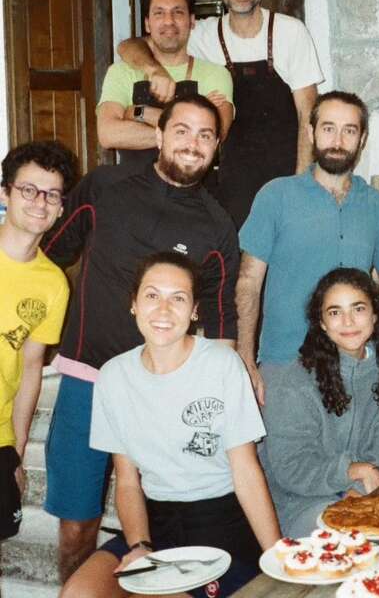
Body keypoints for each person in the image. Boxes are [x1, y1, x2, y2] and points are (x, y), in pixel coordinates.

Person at [43, 95, 240, 582]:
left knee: (159, 519)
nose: (192, 143)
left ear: (216, 149)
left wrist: (237, 380)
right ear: (158, 135)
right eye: (182, 130)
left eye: (205, 135)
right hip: (88, 380)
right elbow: (46, 253)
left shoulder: (217, 226)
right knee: (76, 526)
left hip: (165, 394)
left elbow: (219, 320)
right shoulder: (103, 187)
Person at [61, 252, 279, 598]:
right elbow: (128, 481)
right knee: (79, 593)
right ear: (133, 304)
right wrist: (140, 544)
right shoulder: (113, 376)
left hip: (219, 521)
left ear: (194, 311)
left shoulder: (222, 365)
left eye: (178, 298)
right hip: (154, 523)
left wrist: (277, 558)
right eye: (152, 295)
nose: (163, 310)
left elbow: (246, 471)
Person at [236, 90, 379, 410]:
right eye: (328, 127)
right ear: (311, 133)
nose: (337, 139)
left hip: (353, 365)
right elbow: (248, 283)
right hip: (285, 363)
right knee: (286, 459)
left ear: (361, 140)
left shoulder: (377, 206)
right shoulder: (275, 197)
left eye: (349, 130)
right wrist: (246, 361)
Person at [117, 0, 323, 227]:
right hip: (235, 176)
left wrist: (301, 183)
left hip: (286, 172)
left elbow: (308, 112)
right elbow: (130, 46)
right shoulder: (203, 33)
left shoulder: (290, 31)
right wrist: (154, 70)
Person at [262, 267, 379, 537]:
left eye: (358, 308)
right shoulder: (293, 383)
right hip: (303, 502)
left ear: (375, 314)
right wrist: (350, 472)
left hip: (372, 489)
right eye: (335, 312)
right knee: (349, 541)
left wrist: (358, 488)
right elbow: (291, 466)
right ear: (321, 323)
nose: (348, 321)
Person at [0, 141, 77, 541]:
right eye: (28, 189)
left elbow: (31, 369)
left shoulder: (53, 284)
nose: (39, 202)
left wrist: (16, 451)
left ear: (61, 207)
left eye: (51, 194)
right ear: (5, 192)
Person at [97, 0, 233, 165]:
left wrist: (140, 113)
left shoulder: (215, 74)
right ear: (147, 24)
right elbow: (108, 134)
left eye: (177, 12)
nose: (169, 21)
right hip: (131, 188)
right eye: (159, 13)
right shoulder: (121, 71)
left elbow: (216, 134)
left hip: (191, 189)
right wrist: (188, 134)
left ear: (192, 21)